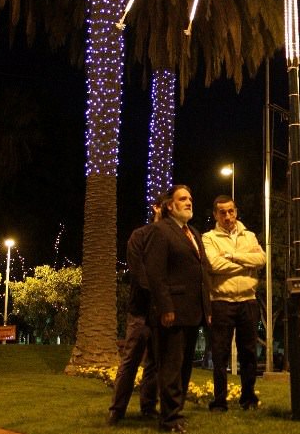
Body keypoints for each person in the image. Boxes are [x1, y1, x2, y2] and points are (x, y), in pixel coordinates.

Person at [145, 185, 211, 433]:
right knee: (171, 367)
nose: (189, 202)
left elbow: (202, 272)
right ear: (170, 206)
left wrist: (207, 308)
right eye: (183, 199)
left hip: (193, 311)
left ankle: (176, 413)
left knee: (184, 367)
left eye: (190, 198)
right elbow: (155, 273)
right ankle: (169, 418)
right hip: (172, 310)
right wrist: (165, 307)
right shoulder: (160, 230)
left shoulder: (193, 233)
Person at [201, 195, 265, 412]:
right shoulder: (208, 238)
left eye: (231, 211)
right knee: (220, 354)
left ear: (236, 211)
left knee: (249, 353)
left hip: (248, 300)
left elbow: (261, 259)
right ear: (215, 215)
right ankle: (220, 402)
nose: (227, 216)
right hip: (221, 301)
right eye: (222, 212)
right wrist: (246, 262)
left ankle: (248, 398)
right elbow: (214, 265)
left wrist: (230, 255)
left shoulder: (249, 235)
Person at [107, 194, 164, 426]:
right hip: (141, 309)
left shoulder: (174, 237)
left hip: (163, 311)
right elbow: (138, 271)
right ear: (157, 208)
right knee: (130, 360)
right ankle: (117, 410)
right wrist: (160, 294)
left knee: (155, 363)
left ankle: (148, 407)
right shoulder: (140, 236)